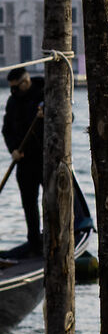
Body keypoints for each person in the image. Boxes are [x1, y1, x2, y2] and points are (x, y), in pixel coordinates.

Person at [4, 62, 44, 252]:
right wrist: (13, 149)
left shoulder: (45, 93)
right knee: (29, 203)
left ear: (26, 81)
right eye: (10, 87)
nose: (13, 90)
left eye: (15, 86)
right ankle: (34, 242)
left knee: (52, 200)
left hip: (46, 159)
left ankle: (54, 237)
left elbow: (69, 117)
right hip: (23, 159)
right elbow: (6, 130)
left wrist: (48, 114)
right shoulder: (13, 101)